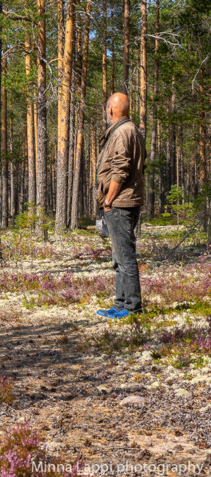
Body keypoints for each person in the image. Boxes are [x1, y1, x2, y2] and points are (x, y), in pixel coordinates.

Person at [95, 92, 146, 319]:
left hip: (120, 203)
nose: (107, 111)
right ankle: (120, 303)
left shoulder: (123, 131)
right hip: (124, 201)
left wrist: (108, 200)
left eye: (107, 107)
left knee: (125, 257)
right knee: (119, 257)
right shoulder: (130, 129)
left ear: (112, 110)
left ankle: (132, 307)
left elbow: (121, 169)